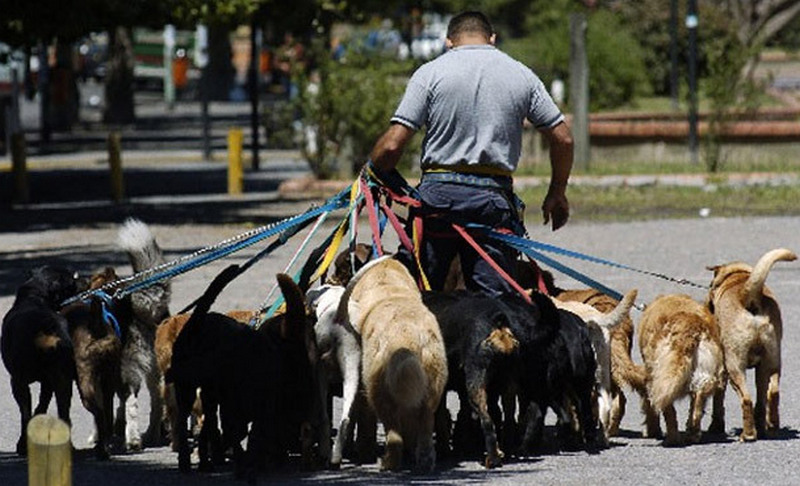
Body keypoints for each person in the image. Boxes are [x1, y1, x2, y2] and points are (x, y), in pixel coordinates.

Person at [367, 10, 573, 297]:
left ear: (449, 41)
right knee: (494, 303)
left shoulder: (430, 73)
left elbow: (391, 145)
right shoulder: (522, 75)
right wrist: (557, 192)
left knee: (420, 294)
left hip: (438, 200)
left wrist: (371, 174)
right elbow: (563, 138)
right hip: (493, 202)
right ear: (492, 39)